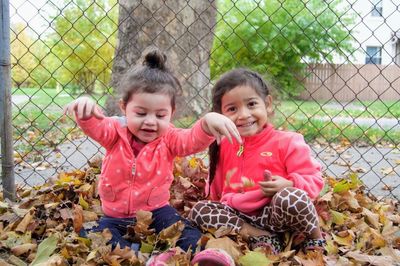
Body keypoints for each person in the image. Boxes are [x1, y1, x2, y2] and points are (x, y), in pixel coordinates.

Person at [64, 48, 241, 255]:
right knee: (97, 237)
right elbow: (96, 126)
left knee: (185, 232)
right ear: (124, 107)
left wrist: (207, 123)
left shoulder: (169, 138)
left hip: (157, 210)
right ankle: (139, 256)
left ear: (171, 113)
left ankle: (202, 255)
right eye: (140, 113)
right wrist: (85, 110)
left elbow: (191, 141)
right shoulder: (115, 132)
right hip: (115, 215)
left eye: (160, 115)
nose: (150, 121)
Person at [189, 68, 326, 264]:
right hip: (241, 217)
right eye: (232, 109)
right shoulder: (225, 144)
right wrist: (216, 206)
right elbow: (217, 188)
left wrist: (288, 184)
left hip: (277, 212)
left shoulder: (287, 142)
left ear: (268, 104)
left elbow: (314, 181)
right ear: (221, 115)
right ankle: (262, 237)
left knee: (292, 197)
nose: (244, 115)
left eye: (251, 104)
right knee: (199, 210)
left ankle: (314, 238)